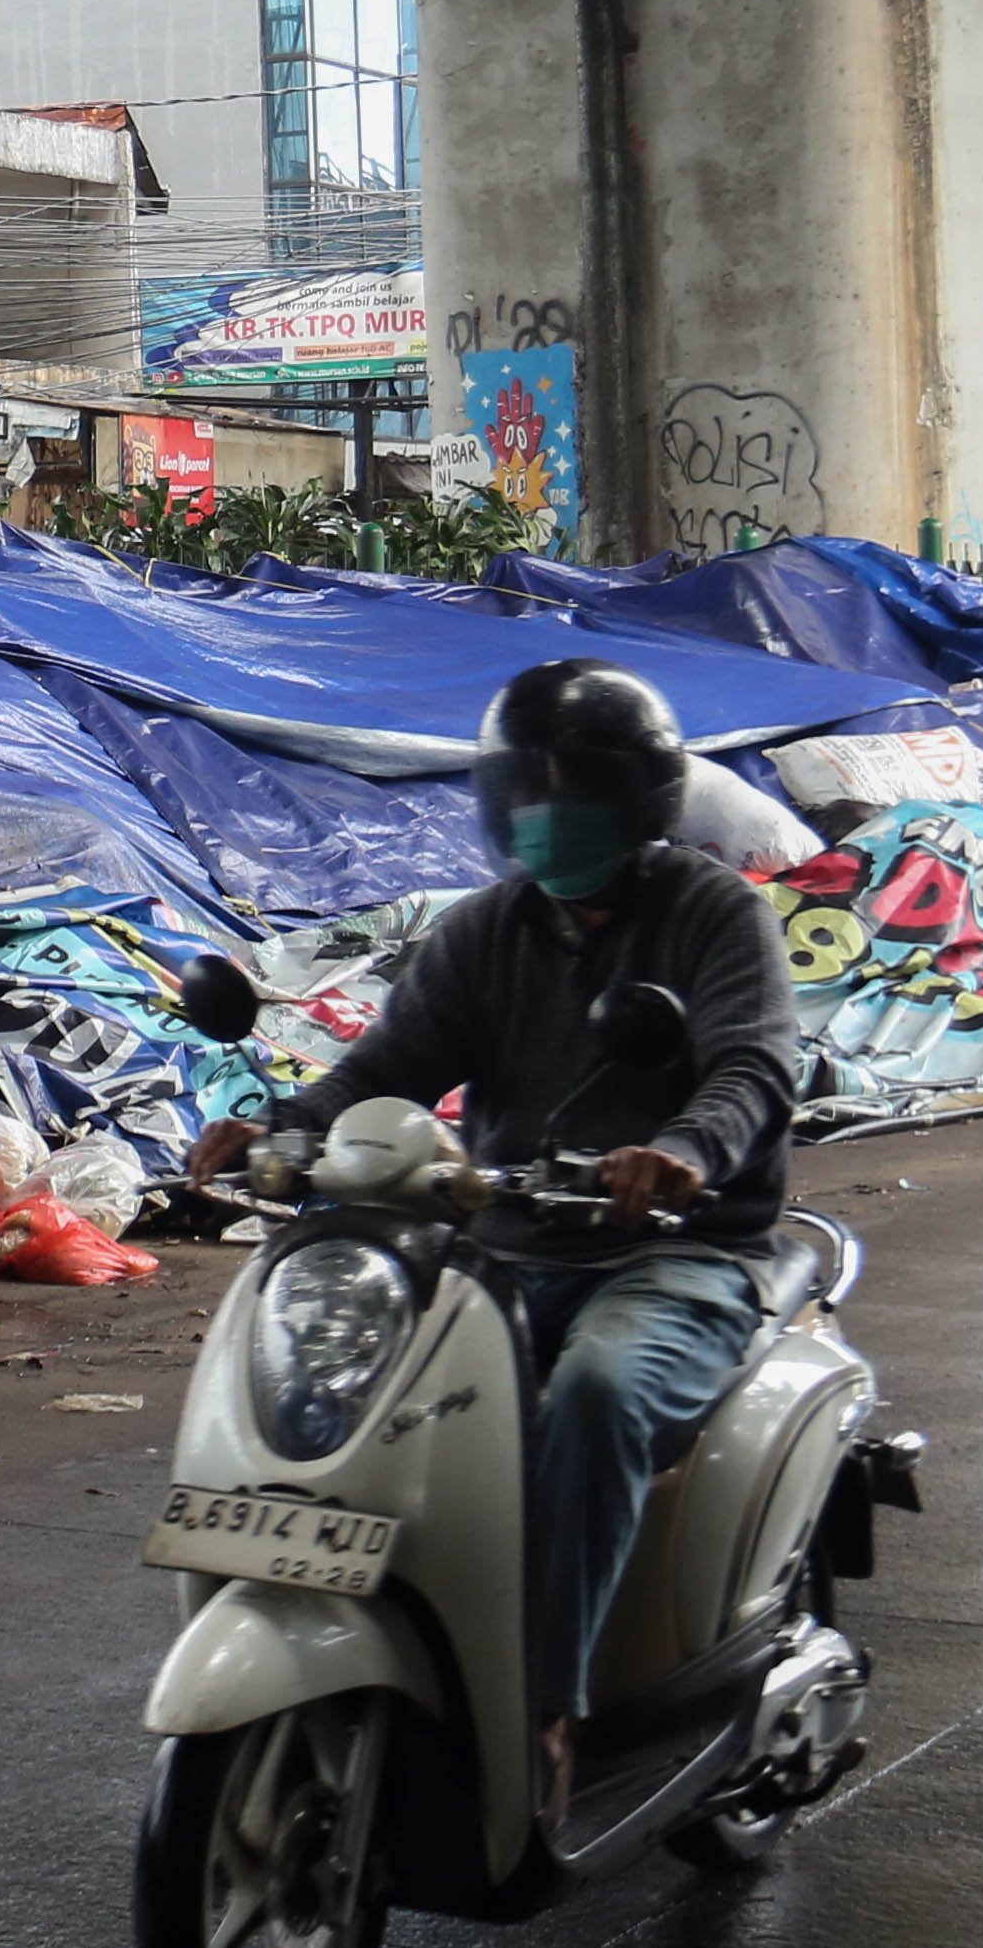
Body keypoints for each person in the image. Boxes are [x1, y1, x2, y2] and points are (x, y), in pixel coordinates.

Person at [182, 657, 800, 1830]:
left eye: (576, 789)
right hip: (506, 1247)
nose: (547, 814)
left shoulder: (716, 914)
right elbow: (388, 1067)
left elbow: (753, 1064)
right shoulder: (485, 931)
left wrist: (684, 1151)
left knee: (599, 1393)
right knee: (389, 1403)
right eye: (530, 787)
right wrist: (281, 1126)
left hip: (678, 1253)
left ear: (643, 801)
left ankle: (550, 1708)